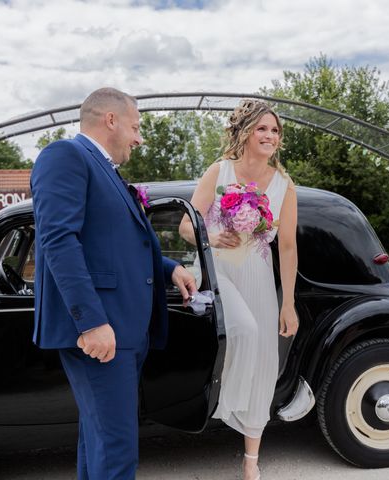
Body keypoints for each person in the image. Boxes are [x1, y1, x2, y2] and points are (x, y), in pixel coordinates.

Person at [31, 87, 196, 480]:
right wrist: (90, 322)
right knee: (117, 450)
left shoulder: (107, 170)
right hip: (102, 329)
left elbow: (116, 245)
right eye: (136, 126)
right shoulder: (65, 156)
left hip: (124, 329)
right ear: (111, 120)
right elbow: (57, 240)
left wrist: (169, 267)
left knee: (101, 439)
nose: (139, 137)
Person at [179, 99, 298, 480]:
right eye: (263, 128)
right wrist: (211, 235)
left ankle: (250, 462)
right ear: (245, 131)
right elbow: (186, 225)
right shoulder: (220, 171)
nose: (270, 136)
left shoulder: (284, 186)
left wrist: (288, 303)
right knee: (243, 331)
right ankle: (222, 404)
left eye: (275, 131)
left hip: (260, 278)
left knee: (264, 362)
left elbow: (288, 246)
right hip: (219, 275)